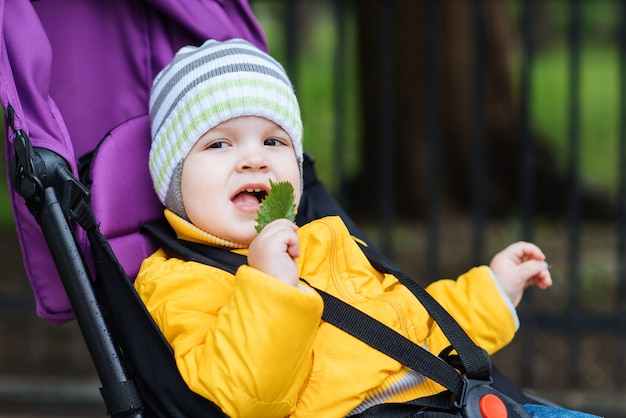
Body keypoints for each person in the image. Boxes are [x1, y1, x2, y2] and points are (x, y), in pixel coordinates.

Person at [135, 38, 600, 418]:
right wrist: (269, 286)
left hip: (456, 401)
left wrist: (494, 290)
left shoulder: (325, 239)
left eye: (274, 141)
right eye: (219, 144)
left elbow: (406, 316)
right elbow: (244, 396)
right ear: (172, 179)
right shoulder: (177, 281)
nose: (255, 158)